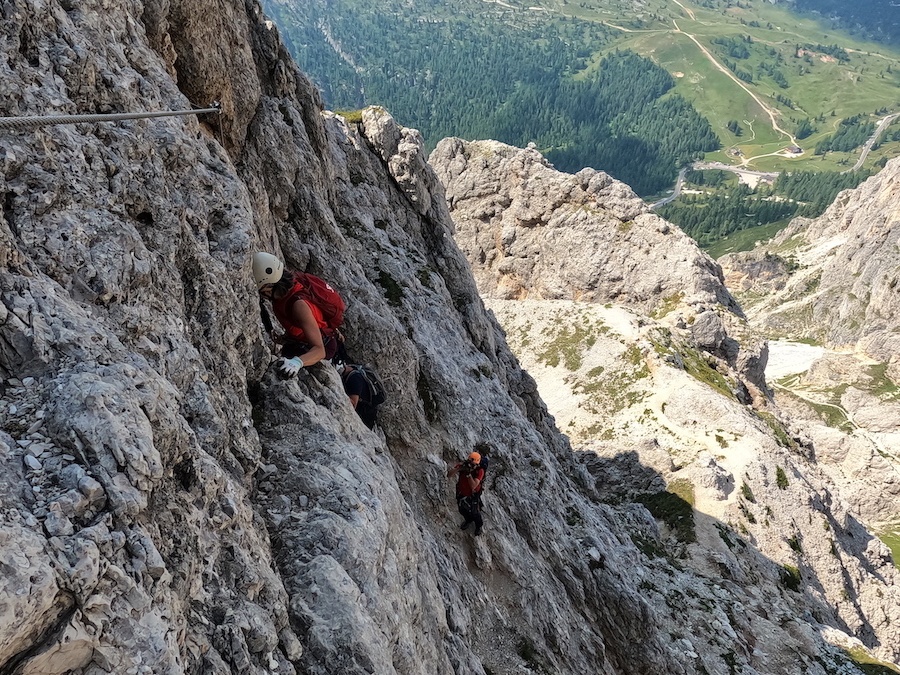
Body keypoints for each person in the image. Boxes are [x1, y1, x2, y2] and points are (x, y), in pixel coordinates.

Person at [253, 252, 337, 376]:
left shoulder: (299, 306)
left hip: (319, 347)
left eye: (262, 290)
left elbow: (320, 350)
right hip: (303, 340)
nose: (262, 295)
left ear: (269, 285)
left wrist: (297, 362)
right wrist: (286, 337)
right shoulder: (287, 290)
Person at [447, 451, 485, 536]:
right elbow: (449, 475)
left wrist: (468, 474)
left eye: (473, 464)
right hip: (461, 492)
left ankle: (478, 526)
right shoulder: (463, 466)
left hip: (473, 494)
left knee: (475, 512)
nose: (471, 465)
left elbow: (473, 486)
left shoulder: (480, 471)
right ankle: (468, 520)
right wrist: (459, 468)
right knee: (462, 509)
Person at [337, 363, 378, 429]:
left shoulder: (354, 379)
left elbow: (353, 404)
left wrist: (339, 395)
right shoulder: (353, 371)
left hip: (364, 417)